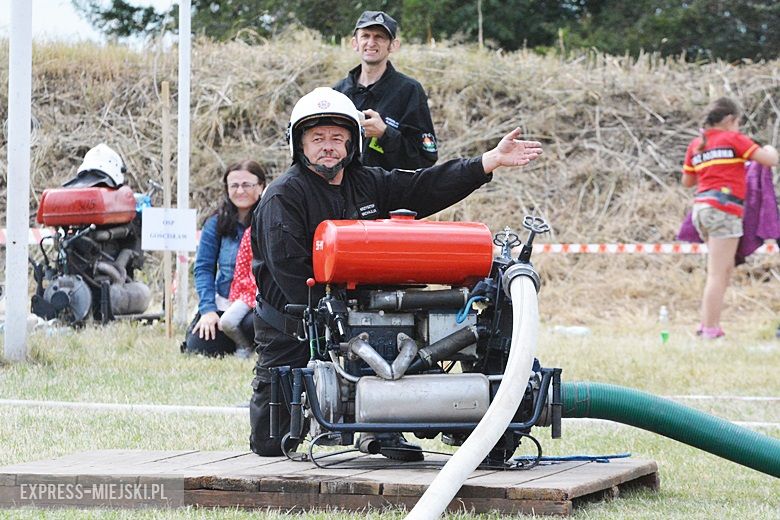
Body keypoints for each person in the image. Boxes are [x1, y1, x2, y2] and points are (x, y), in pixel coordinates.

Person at [249, 87, 542, 457]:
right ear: (299, 144)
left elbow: (425, 186)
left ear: (352, 143)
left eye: (337, 138)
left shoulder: (369, 181)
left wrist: (487, 162)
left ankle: (385, 428)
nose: (328, 146)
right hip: (292, 326)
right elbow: (290, 272)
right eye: (318, 138)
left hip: (367, 314)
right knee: (272, 444)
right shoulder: (283, 196)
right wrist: (333, 311)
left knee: (403, 333)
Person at [681, 97, 778, 339]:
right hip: (725, 210)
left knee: (722, 270)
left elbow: (688, 181)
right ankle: (709, 328)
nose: (739, 128)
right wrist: (769, 149)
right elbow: (769, 161)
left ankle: (709, 325)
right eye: (738, 123)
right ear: (729, 120)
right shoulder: (734, 139)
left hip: (701, 210)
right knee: (717, 273)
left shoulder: (697, 144)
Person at [334, 10, 438, 170]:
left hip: (389, 192)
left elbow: (425, 160)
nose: (371, 42)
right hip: (343, 192)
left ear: (393, 45)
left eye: (379, 37)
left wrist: (385, 134)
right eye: (365, 36)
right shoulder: (338, 94)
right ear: (354, 43)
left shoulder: (409, 91)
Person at [182, 160, 266, 356]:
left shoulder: (270, 220)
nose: (240, 191)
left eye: (247, 185)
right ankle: (237, 344)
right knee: (200, 346)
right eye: (234, 185)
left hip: (257, 303)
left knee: (252, 323)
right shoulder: (216, 223)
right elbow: (203, 268)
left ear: (261, 186)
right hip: (226, 300)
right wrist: (208, 310)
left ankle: (246, 345)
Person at [219, 227, 256, 359]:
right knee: (227, 321)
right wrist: (236, 295)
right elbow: (241, 268)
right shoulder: (250, 233)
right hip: (249, 291)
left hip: (272, 292)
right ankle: (244, 347)